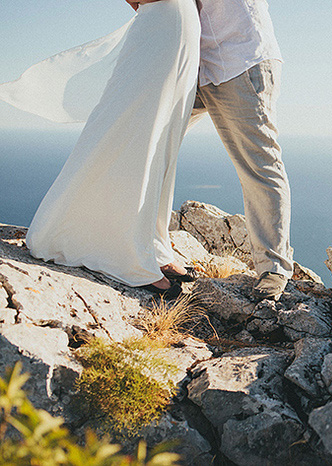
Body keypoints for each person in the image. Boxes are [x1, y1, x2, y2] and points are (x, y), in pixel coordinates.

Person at [0, 0, 202, 298]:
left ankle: (152, 245)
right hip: (161, 24)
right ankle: (123, 251)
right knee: (133, 129)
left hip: (183, 30)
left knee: (163, 137)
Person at [186, 0, 294, 301]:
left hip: (240, 61)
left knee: (260, 166)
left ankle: (274, 267)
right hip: (200, 66)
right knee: (150, 140)